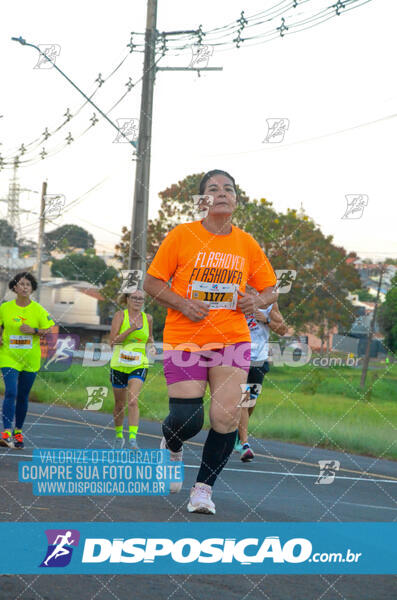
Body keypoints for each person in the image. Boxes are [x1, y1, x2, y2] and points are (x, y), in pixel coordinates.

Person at [144, 169, 278, 514]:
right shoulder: (182, 235)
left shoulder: (246, 243)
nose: (222, 193)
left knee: (226, 418)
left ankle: (202, 491)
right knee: (188, 421)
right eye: (213, 189)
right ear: (202, 199)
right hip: (186, 339)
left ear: (236, 199)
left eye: (228, 189)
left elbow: (270, 288)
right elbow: (152, 282)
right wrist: (183, 303)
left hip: (232, 339)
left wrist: (257, 301)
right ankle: (172, 446)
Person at [0, 272, 55, 449]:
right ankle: (6, 432)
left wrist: (34, 330)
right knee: (11, 392)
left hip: (30, 359)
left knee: (23, 396)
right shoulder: (5, 308)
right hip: (8, 356)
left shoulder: (38, 309)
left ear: (32, 289)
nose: (24, 287)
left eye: (28, 285)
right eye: (21, 284)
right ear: (14, 287)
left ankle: (18, 432)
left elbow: (49, 330)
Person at [236, 291, 288, 462]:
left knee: (251, 401)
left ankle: (238, 434)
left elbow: (283, 330)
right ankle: (244, 444)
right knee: (244, 398)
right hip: (238, 356)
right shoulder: (238, 297)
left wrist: (266, 319)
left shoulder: (270, 303)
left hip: (259, 359)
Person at [109, 289, 154, 449]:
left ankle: (133, 439)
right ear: (127, 299)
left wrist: (152, 346)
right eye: (134, 298)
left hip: (138, 364)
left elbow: (149, 338)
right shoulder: (120, 316)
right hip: (119, 364)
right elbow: (113, 342)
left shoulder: (148, 318)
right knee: (119, 405)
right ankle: (119, 435)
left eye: (141, 299)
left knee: (133, 401)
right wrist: (131, 329)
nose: (138, 301)